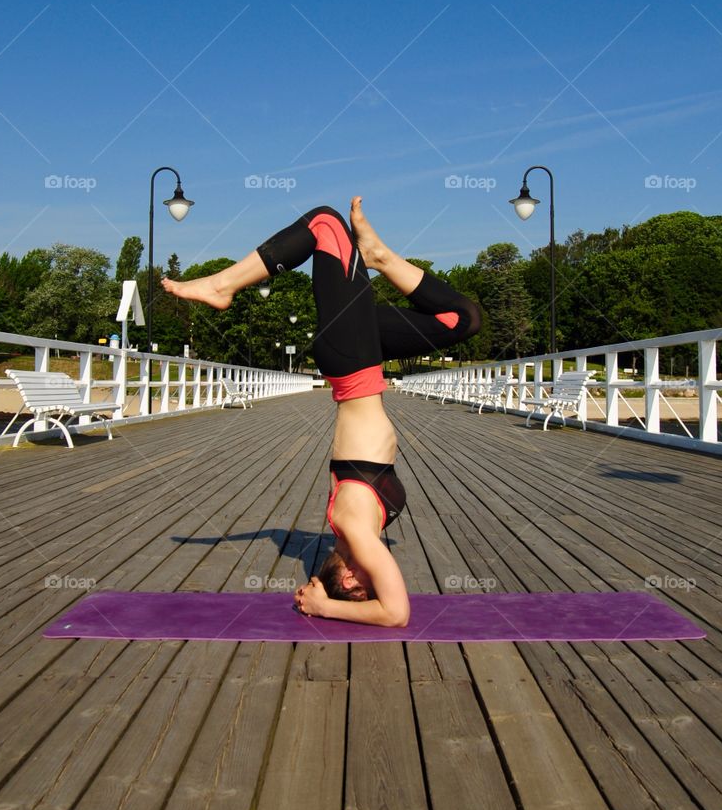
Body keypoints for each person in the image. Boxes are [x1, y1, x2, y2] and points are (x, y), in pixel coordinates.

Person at [162, 197, 482, 628]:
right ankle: (380, 257)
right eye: (365, 589)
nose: (364, 580)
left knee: (326, 223)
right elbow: (391, 608)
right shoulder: (362, 533)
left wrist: (325, 605)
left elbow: (397, 614)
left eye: (354, 587)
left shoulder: (353, 530)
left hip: (352, 362)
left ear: (344, 574)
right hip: (364, 354)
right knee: (461, 319)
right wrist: (333, 602)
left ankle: (223, 286)